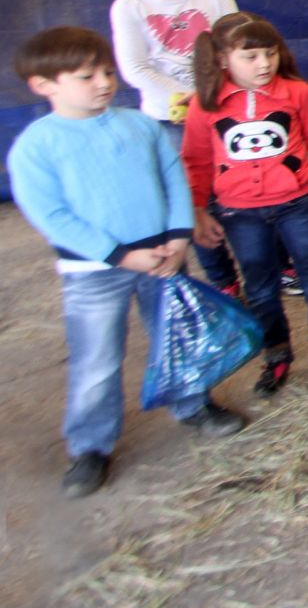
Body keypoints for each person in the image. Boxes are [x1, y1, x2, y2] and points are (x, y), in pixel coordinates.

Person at [8, 27, 246, 498]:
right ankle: (90, 446)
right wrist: (119, 254)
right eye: (85, 76)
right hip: (94, 271)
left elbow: (173, 177)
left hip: (164, 257)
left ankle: (193, 404)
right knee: (97, 358)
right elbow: (52, 215)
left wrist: (179, 238)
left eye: (107, 72)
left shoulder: (140, 126)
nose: (103, 83)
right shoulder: (36, 146)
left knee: (176, 337)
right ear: (44, 84)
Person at [182, 13, 308, 395]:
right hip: (239, 213)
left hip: (299, 203)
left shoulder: (298, 93)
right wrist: (198, 210)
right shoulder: (204, 105)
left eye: (270, 54)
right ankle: (275, 354)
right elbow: (197, 160)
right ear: (223, 60)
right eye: (250, 56)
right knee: (259, 285)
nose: (264, 64)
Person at [107, 0, 245, 294]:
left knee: (245, 186)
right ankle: (224, 280)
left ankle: (273, 264)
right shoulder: (129, 7)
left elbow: (232, 49)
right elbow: (135, 66)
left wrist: (209, 93)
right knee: (193, 200)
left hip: (221, 108)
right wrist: (184, 96)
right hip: (171, 119)